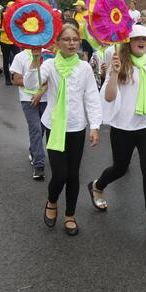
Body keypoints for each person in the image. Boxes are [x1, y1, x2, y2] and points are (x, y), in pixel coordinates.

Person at [26, 23, 102, 236]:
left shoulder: (84, 67)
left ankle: (70, 215)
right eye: (66, 39)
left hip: (77, 126)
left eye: (75, 39)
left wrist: (94, 126)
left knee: (73, 175)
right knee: (59, 174)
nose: (71, 43)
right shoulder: (50, 66)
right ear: (57, 43)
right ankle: (52, 202)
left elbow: (91, 97)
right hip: (54, 125)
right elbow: (31, 83)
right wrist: (35, 60)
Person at [88, 25, 146, 235]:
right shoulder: (120, 64)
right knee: (120, 168)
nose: (142, 42)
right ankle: (97, 186)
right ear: (128, 42)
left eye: (145, 39)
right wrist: (113, 72)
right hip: (123, 126)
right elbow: (110, 97)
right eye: (137, 38)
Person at [11, 48, 48, 180]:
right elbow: (16, 80)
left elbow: (52, 80)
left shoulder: (48, 54)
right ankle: (39, 165)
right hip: (27, 99)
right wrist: (32, 83)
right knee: (36, 128)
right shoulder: (20, 57)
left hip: (45, 98)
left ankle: (34, 150)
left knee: (42, 128)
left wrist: (40, 92)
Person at [0, 3, 16, 85]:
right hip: (4, 41)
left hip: (15, 41)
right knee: (6, 60)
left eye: (13, 8)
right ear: (6, 8)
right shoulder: (1, 16)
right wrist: (3, 30)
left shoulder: (17, 16)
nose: (11, 9)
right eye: (9, 8)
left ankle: (14, 75)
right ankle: (7, 79)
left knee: (16, 59)